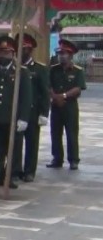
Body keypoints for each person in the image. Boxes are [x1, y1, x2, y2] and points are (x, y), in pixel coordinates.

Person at [0, 36, 32, 189]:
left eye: (6, 53)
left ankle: (11, 175)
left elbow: (26, 97)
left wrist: (24, 118)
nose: (2, 56)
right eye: (0, 52)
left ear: (13, 53)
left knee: (13, 149)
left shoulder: (21, 72)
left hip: (13, 118)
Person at [14, 34, 49, 183]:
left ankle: (29, 171)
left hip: (33, 111)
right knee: (15, 142)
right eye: (20, 49)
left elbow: (45, 92)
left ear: (30, 50)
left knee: (31, 143)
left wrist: (44, 113)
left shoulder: (39, 69)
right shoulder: (15, 67)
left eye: (25, 49)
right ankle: (15, 170)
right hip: (17, 111)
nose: (22, 52)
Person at [48, 39, 86, 170]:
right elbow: (48, 85)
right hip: (56, 106)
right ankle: (57, 158)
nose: (61, 56)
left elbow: (78, 88)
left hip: (70, 106)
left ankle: (73, 160)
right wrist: (54, 96)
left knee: (71, 133)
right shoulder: (53, 70)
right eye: (60, 53)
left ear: (70, 55)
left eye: (64, 53)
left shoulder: (77, 70)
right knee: (55, 133)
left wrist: (63, 96)